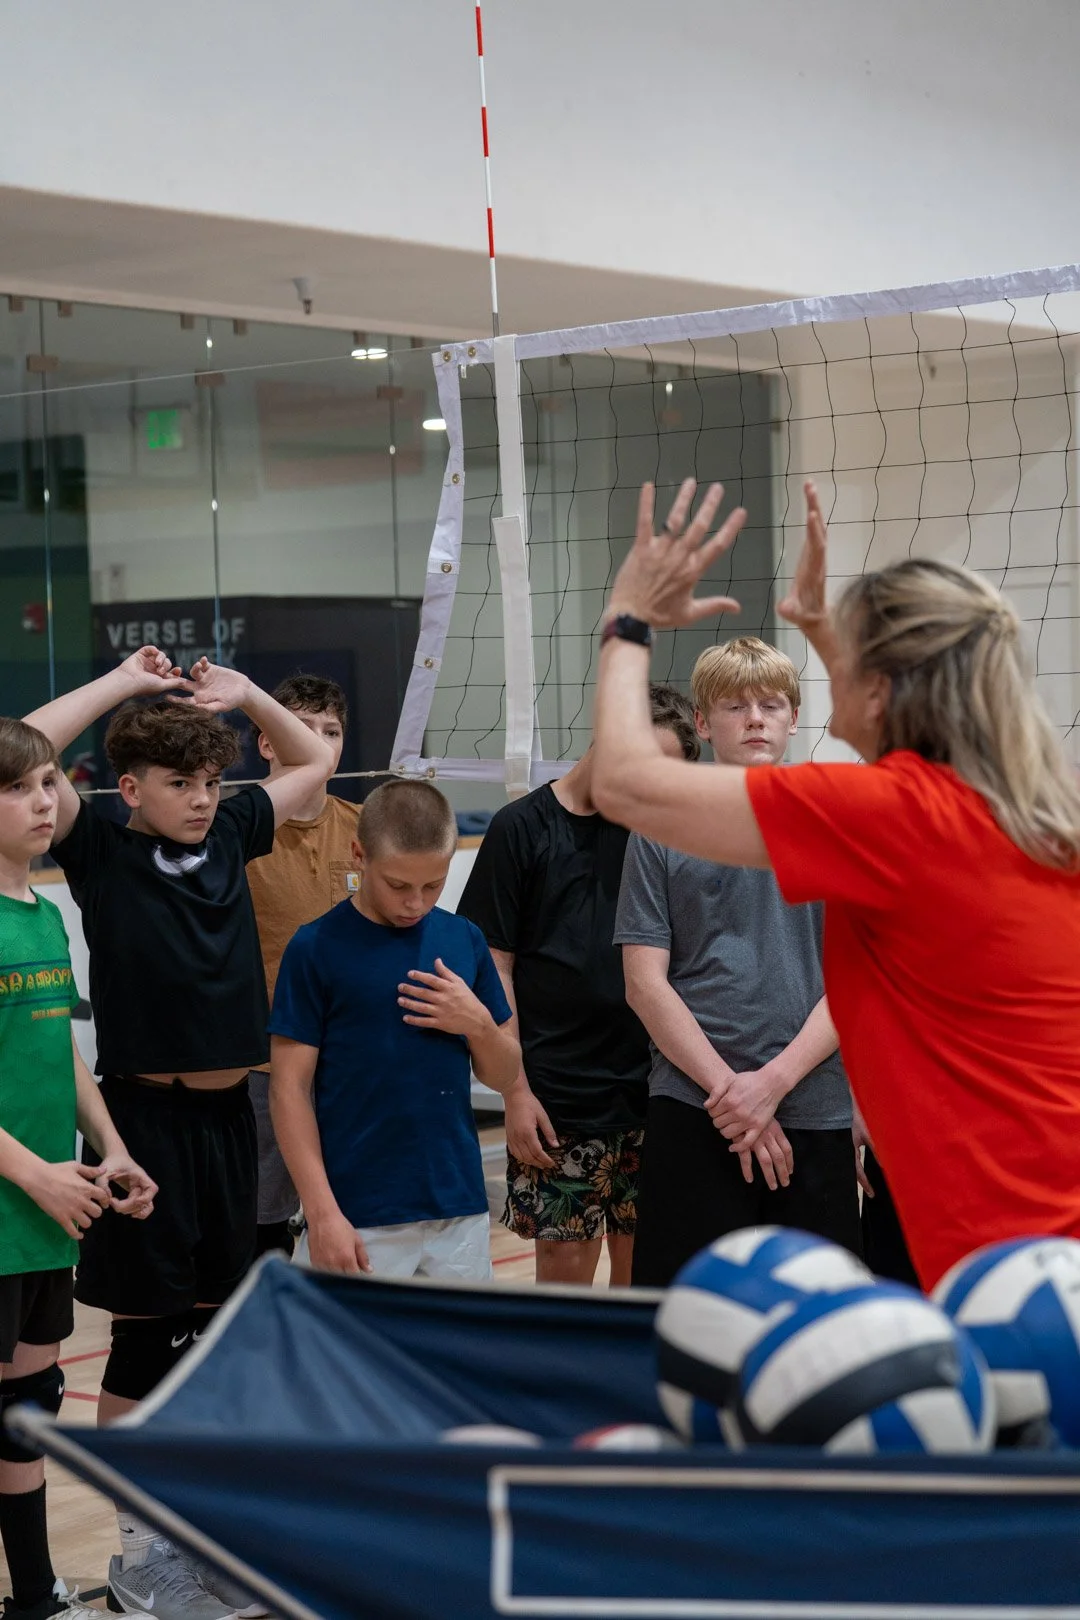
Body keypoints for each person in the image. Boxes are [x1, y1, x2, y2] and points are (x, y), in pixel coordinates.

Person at [590, 476, 1080, 1291]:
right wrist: (819, 626)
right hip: (1047, 1226)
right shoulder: (1028, 809)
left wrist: (628, 614)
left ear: (883, 689)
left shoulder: (888, 817)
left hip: (998, 1253)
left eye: (847, 655)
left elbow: (624, 782)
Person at [25, 649, 333, 1620]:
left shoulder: (237, 827)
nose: (202, 799)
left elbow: (311, 769)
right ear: (129, 789)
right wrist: (123, 682)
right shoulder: (99, 849)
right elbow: (22, 746)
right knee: (145, 1336)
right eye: (179, 784)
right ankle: (138, 1550)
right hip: (140, 1121)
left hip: (226, 1120)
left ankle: (199, 1534)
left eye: (209, 781)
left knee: (214, 1339)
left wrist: (247, 699)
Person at [615, 641, 858, 1287]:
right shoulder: (660, 826)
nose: (755, 718)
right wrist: (734, 1095)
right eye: (735, 705)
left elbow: (856, 981)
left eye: (770, 704)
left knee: (823, 1324)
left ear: (793, 717)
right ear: (702, 722)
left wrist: (771, 1085)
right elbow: (644, 983)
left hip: (813, 1105)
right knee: (678, 1312)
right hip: (695, 1107)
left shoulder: (834, 822)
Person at [457, 685, 701, 1287]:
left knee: (645, 1279)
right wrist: (515, 1090)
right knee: (565, 1284)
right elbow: (494, 967)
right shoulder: (522, 828)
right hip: (558, 1102)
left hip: (656, 1094)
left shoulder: (660, 834)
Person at [0, 718, 156, 1620]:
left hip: (43, 1214)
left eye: (50, 782)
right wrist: (37, 1174)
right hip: (17, 1201)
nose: (43, 801)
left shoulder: (48, 914)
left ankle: (32, 1593)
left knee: (32, 1402)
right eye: (19, 787)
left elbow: (59, 1051)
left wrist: (110, 1147)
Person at [269, 779, 519, 1280]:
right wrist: (321, 1213)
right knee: (343, 1361)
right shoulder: (315, 948)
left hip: (457, 1206)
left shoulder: (463, 938)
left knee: (454, 1360)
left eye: (434, 885)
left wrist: (478, 1026)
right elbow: (288, 1089)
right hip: (357, 1213)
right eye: (399, 885)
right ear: (359, 854)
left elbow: (506, 1074)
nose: (416, 903)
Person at [245, 674, 358, 1258]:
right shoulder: (236, 829)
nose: (318, 741)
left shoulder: (368, 828)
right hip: (265, 1068)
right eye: (300, 727)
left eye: (330, 730)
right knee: (262, 1225)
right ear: (267, 742)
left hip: (354, 1066)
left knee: (351, 1223)